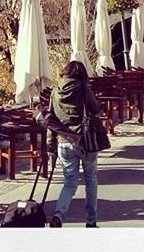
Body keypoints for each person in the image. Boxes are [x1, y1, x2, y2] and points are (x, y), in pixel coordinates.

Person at [45, 60, 101, 228]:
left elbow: (50, 119)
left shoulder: (55, 90)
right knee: (91, 180)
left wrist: (50, 143)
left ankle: (58, 215)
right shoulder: (82, 88)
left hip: (64, 142)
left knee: (70, 182)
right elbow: (95, 108)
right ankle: (91, 221)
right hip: (85, 141)